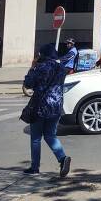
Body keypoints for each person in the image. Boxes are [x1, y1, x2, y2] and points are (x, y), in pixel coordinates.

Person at [22, 43, 72, 177]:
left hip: (40, 106)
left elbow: (28, 84)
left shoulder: (40, 67)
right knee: (50, 135)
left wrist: (32, 67)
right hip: (56, 107)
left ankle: (34, 167)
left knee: (36, 138)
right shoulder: (61, 68)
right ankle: (62, 158)